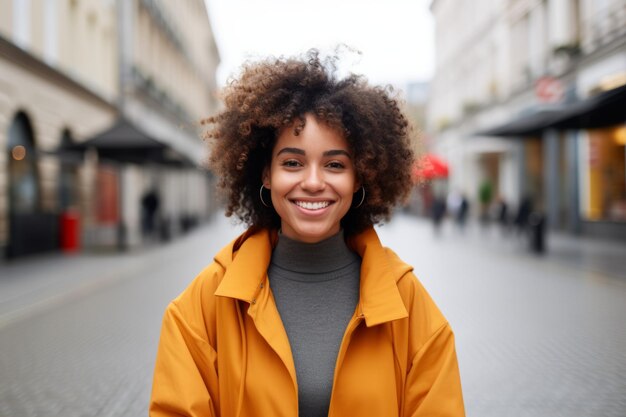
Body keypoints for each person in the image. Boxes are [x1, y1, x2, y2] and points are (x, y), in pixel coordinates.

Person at [149, 50, 465, 417]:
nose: (313, 182)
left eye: (334, 164)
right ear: (266, 174)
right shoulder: (203, 305)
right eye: (292, 163)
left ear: (358, 176)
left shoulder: (408, 304)